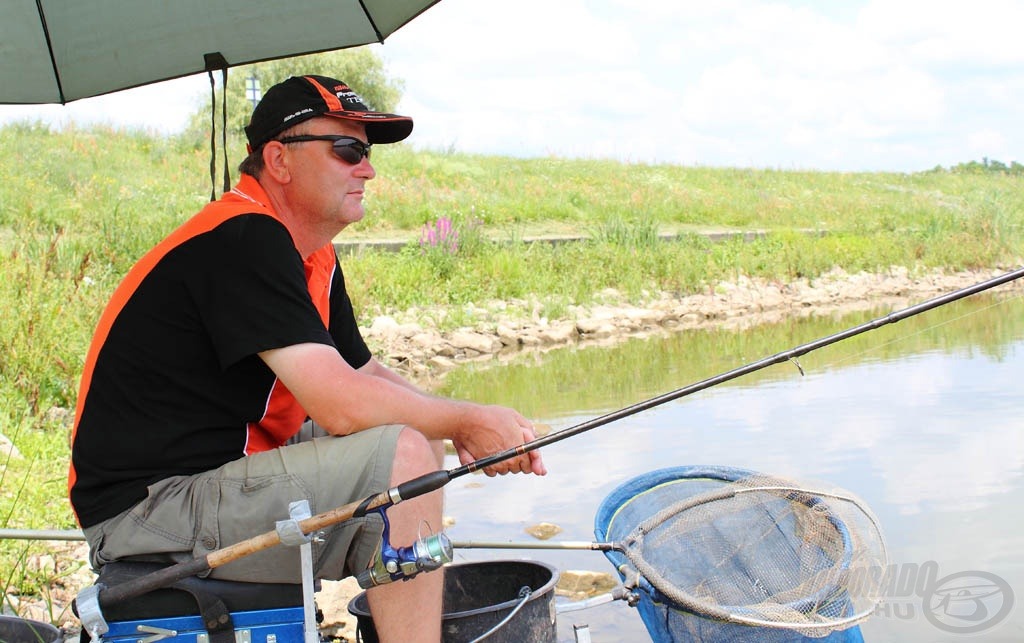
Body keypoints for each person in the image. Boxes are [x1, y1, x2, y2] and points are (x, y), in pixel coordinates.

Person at [68, 74, 547, 642]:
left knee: (415, 437)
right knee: (408, 459)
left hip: (209, 469)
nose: (366, 168)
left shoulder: (307, 252)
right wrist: (468, 419)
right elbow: (340, 404)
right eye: (347, 150)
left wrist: (467, 421)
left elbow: (361, 373)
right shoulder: (244, 237)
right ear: (279, 159)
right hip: (147, 510)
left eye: (366, 153)